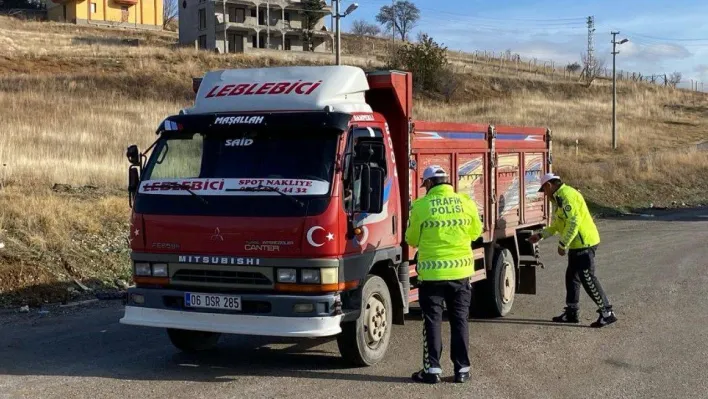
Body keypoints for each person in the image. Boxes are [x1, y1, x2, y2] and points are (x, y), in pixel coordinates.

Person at [405, 165, 483, 384]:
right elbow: (476, 232)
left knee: (432, 320)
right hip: (461, 272)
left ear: (429, 184)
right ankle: (462, 370)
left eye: (425, 185)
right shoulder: (466, 202)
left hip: (432, 275)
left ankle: (432, 371)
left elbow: (411, 238)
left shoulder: (421, 206)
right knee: (460, 320)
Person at [528, 173, 618, 328]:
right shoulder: (559, 197)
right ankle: (572, 312)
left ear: (549, 185)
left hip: (584, 243)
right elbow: (558, 225)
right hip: (577, 244)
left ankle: (607, 312)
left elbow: (573, 222)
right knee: (572, 277)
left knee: (587, 278)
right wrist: (541, 235)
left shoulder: (566, 196)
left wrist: (563, 244)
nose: (544, 194)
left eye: (543, 190)